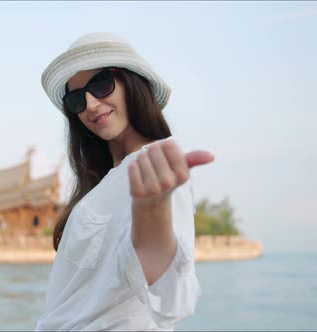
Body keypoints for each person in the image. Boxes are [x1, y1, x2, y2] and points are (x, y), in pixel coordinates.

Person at [35, 32, 214, 331]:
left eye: (101, 84)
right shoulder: (102, 182)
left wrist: (151, 213)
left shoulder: (155, 166)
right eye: (77, 98)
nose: (91, 104)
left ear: (132, 83)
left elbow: (172, 299)